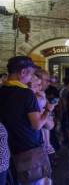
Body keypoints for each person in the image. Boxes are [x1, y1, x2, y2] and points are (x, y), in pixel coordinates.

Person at [0, 56, 54, 185]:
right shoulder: (26, 94)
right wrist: (48, 110)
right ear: (23, 72)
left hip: (10, 148)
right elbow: (37, 125)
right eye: (30, 74)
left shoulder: (1, 90)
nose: (31, 79)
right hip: (29, 150)